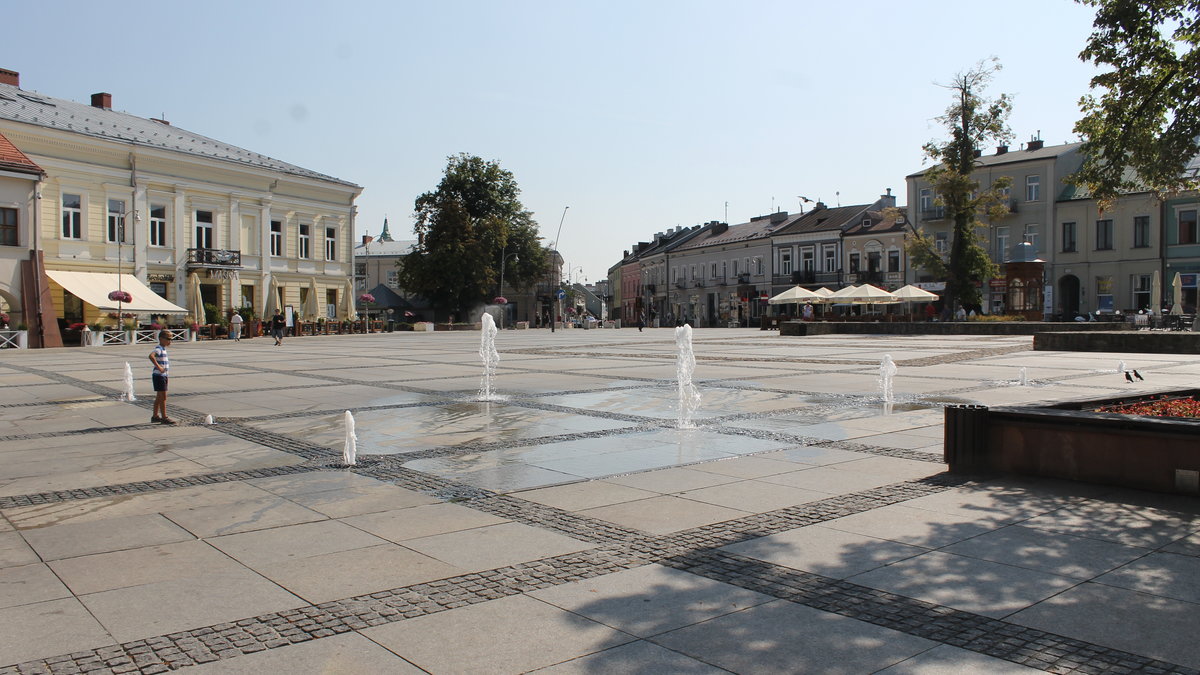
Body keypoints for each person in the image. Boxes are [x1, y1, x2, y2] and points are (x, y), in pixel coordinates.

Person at [148, 332, 175, 424]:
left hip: (162, 376)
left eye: (171, 339)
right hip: (159, 376)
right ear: (161, 339)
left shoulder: (163, 349)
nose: (170, 341)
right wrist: (159, 367)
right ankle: (164, 417)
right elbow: (151, 356)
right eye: (168, 339)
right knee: (163, 397)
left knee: (159, 397)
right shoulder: (159, 348)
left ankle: (155, 416)